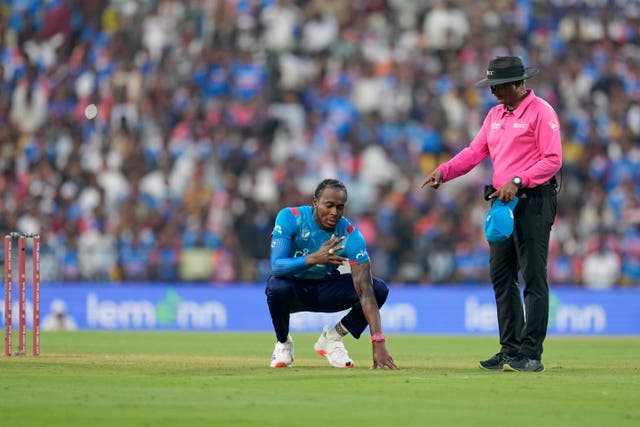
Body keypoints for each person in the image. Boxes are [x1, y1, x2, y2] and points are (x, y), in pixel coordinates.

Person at [421, 56, 562, 373]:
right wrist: (445, 171)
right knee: (502, 275)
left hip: (534, 199)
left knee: (534, 275)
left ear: (519, 84)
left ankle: (531, 353)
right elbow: (474, 153)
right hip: (502, 202)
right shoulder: (495, 114)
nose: (494, 92)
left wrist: (518, 180)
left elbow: (553, 160)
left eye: (499, 86)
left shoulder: (542, 112)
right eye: (491, 86)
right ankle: (510, 348)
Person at [265, 178, 399, 370]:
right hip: (292, 291)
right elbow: (277, 266)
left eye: (340, 207)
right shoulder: (290, 217)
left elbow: (365, 291)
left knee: (378, 289)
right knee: (276, 287)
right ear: (315, 202)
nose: (334, 212)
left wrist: (378, 341)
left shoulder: (350, 235)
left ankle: (333, 340)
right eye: (329, 205)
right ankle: (283, 343)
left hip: (325, 291)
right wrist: (314, 258)